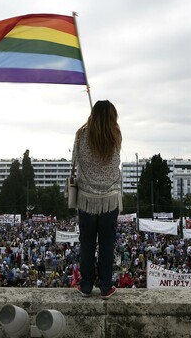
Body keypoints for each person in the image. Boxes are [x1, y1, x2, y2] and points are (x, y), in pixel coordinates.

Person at [71, 100, 122, 299]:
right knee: (107, 244)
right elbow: (114, 163)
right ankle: (106, 286)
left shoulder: (80, 135)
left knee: (87, 243)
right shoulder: (115, 135)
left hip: (86, 198)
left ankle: (85, 285)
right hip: (109, 198)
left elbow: (75, 159)